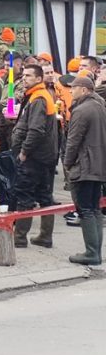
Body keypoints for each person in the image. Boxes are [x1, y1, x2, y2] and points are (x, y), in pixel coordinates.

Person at [12, 64, 60, 248]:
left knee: (25, 195)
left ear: (39, 79)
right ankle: (45, 236)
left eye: (29, 76)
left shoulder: (38, 98)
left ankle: (20, 237)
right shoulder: (37, 95)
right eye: (23, 75)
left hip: (34, 158)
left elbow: (36, 130)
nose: (24, 78)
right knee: (45, 196)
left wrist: (24, 151)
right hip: (44, 156)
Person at [63, 76, 106, 264]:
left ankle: (92, 253)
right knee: (95, 208)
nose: (71, 91)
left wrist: (67, 163)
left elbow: (73, 141)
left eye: (74, 88)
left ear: (84, 90)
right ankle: (95, 252)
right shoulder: (99, 106)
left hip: (85, 165)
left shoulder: (82, 110)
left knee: (86, 209)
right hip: (98, 165)